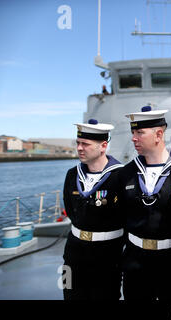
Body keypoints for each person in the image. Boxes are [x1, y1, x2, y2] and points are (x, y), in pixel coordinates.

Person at [118, 106, 171, 301]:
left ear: (158, 134)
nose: (133, 138)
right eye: (133, 132)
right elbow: (120, 216)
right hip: (135, 263)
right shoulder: (126, 173)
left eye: (139, 132)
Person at [62, 119, 125, 300]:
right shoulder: (72, 174)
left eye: (86, 144)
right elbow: (70, 210)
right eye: (78, 143)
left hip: (107, 254)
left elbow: (125, 216)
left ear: (103, 146)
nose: (80, 148)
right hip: (74, 251)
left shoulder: (120, 175)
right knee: (70, 296)